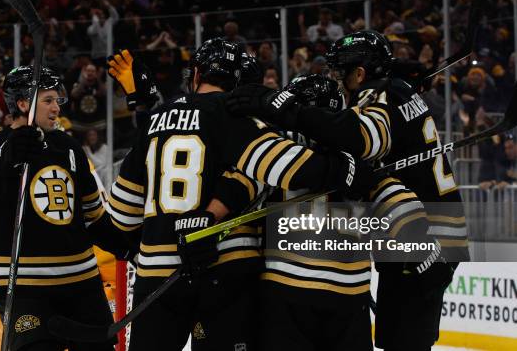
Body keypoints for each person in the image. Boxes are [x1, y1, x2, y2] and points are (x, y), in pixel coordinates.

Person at [106, 38, 376, 351]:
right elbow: (293, 168)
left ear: (195, 74)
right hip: (226, 268)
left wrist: (159, 236)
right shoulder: (237, 118)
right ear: (239, 82)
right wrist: (348, 167)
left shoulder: (154, 122)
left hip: (158, 275)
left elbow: (121, 214)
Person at [226, 30, 468, 351]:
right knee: (398, 338)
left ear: (360, 73)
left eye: (339, 72)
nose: (334, 79)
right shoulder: (397, 90)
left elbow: (359, 138)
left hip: (423, 238)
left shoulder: (382, 95)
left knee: (404, 342)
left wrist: (289, 111)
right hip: (425, 226)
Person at [0, 65, 136, 350]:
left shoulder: (68, 147)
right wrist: (9, 158)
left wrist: (130, 247)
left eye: (57, 100)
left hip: (81, 284)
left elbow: (93, 217)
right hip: (22, 285)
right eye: (48, 100)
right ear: (22, 103)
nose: (57, 108)